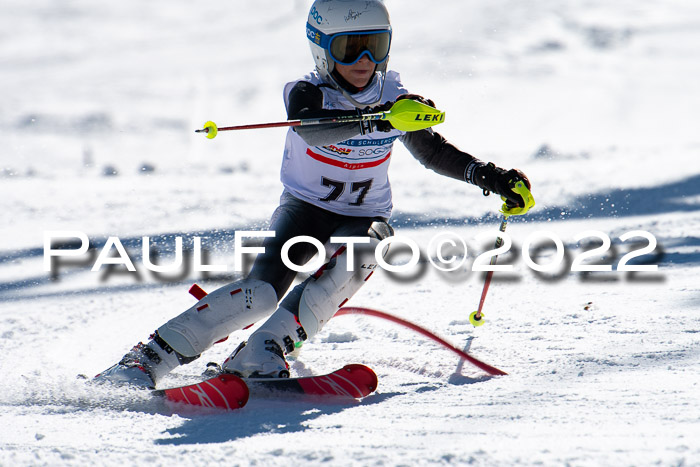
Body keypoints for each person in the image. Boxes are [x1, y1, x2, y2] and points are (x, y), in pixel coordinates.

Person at [95, 0, 534, 388]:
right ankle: (151, 357)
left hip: (362, 216)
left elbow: (433, 151)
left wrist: (492, 178)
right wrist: (382, 120)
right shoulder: (308, 92)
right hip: (305, 211)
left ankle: (264, 349)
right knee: (262, 293)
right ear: (323, 50)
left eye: (375, 47)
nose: (364, 61)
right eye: (349, 49)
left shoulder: (394, 95)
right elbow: (316, 133)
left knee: (365, 251)